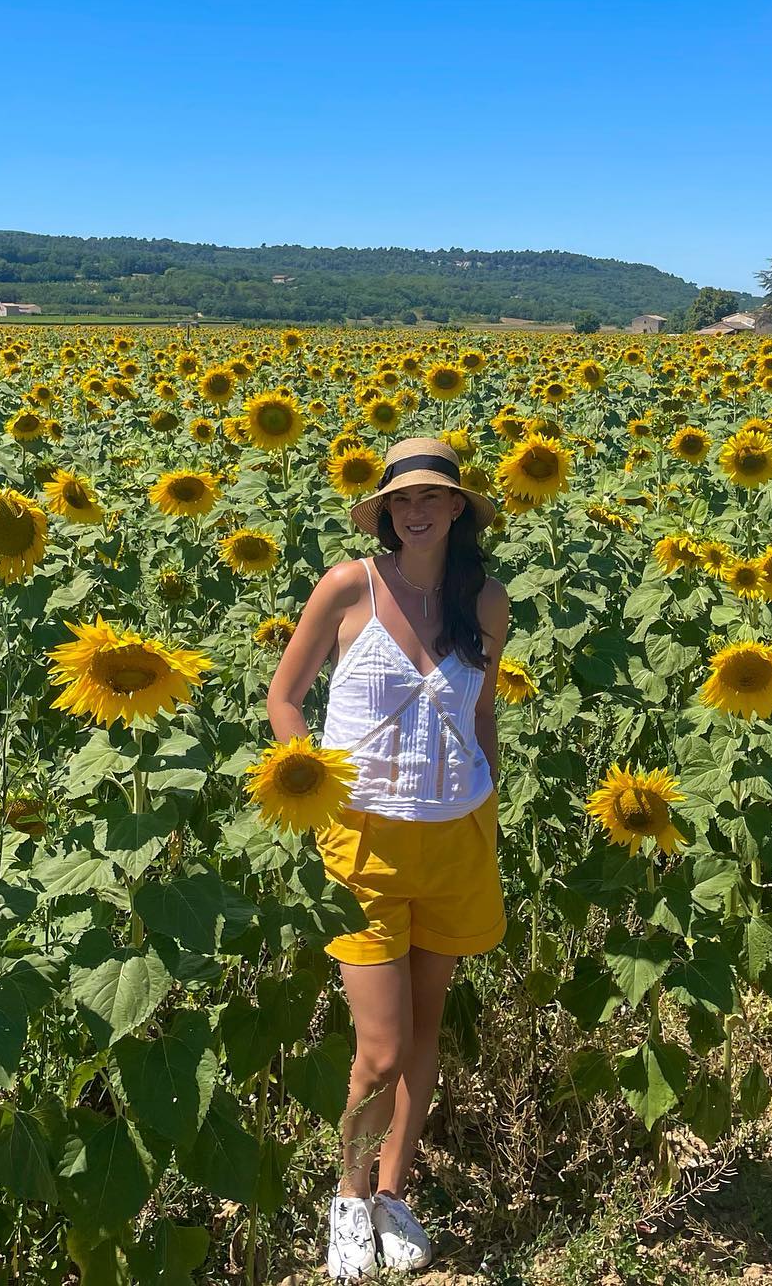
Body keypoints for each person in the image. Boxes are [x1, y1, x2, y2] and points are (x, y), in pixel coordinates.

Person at [265, 437, 511, 1279]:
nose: (416, 513)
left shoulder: (487, 602)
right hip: (363, 838)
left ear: (456, 510)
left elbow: (482, 722)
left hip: (457, 836)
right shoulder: (348, 586)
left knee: (424, 1031)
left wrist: (492, 807)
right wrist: (309, 786)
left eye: (431, 500)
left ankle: (394, 1193)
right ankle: (348, 1197)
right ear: (386, 512)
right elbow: (284, 697)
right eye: (402, 502)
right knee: (377, 1046)